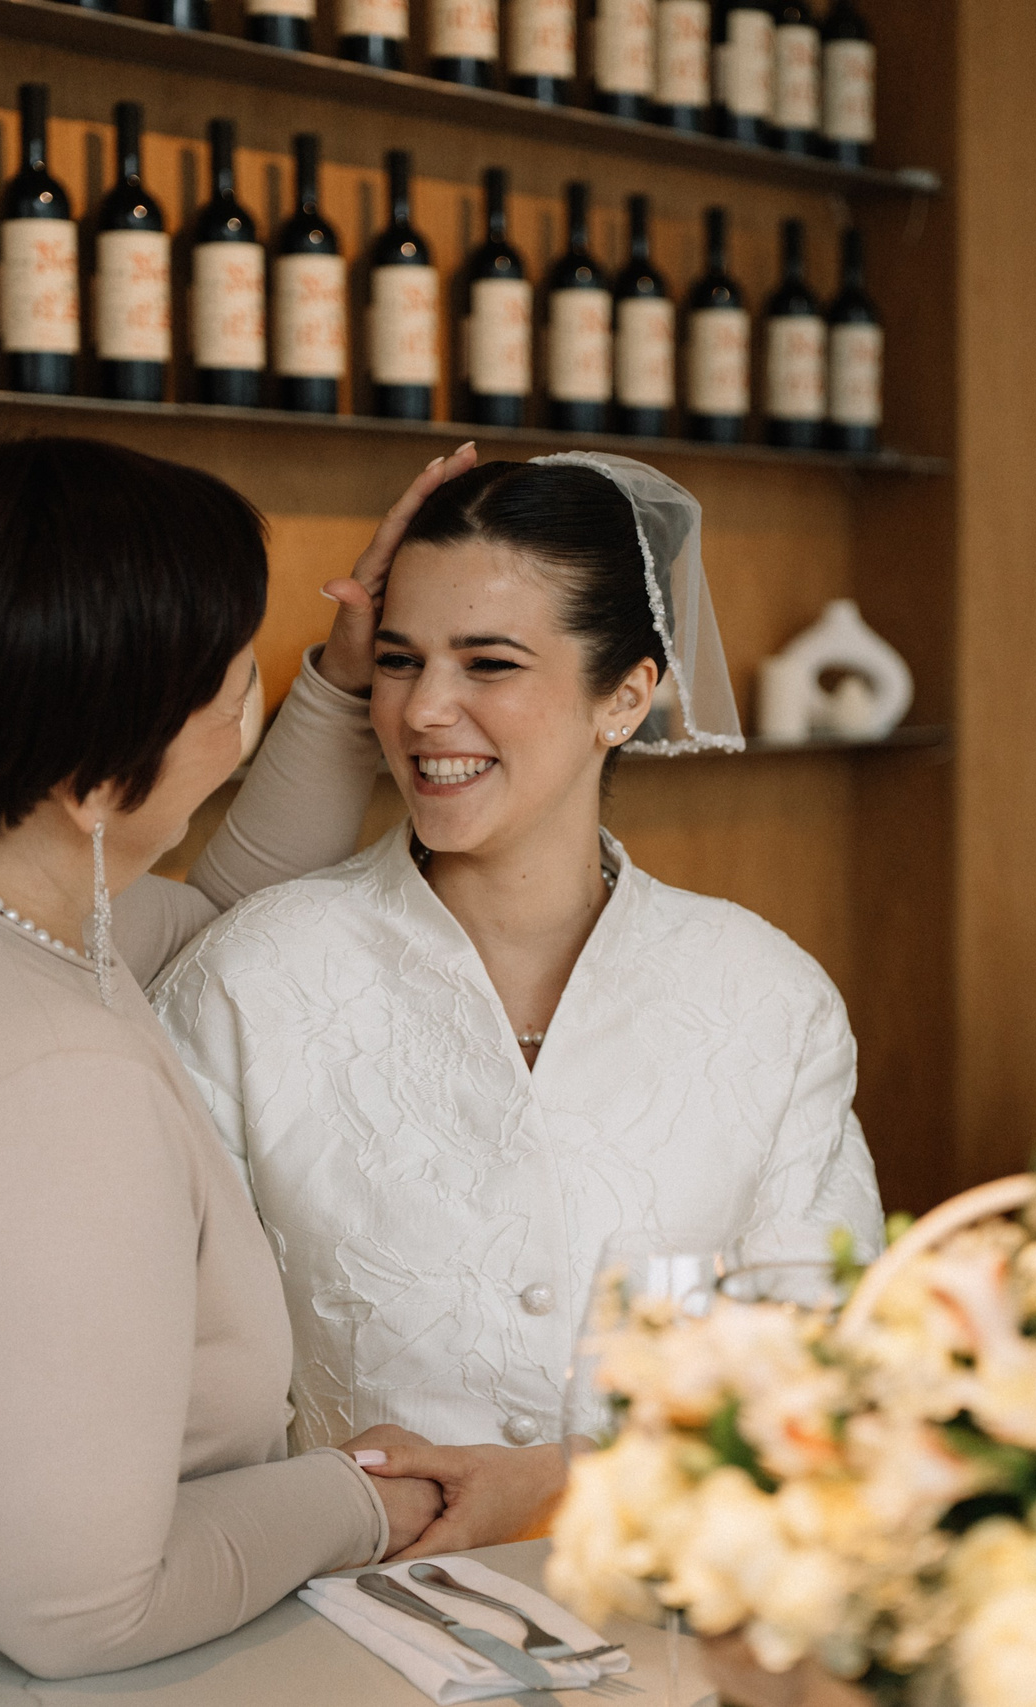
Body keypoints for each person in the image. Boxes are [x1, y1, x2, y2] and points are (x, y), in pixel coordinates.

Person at [0, 433, 483, 1679]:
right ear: (93, 776)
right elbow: (79, 1611)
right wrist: (358, 1497)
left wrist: (342, 682)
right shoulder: (53, 1091)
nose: (249, 702)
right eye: (234, 678)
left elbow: (223, 919)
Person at [150, 453, 885, 1551]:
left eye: (487, 663)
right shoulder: (249, 983)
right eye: (398, 662)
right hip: (335, 1633)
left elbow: (831, 1384)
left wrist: (565, 1491)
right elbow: (169, 1389)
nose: (425, 710)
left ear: (626, 697)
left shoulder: (765, 1000)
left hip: (679, 1628)